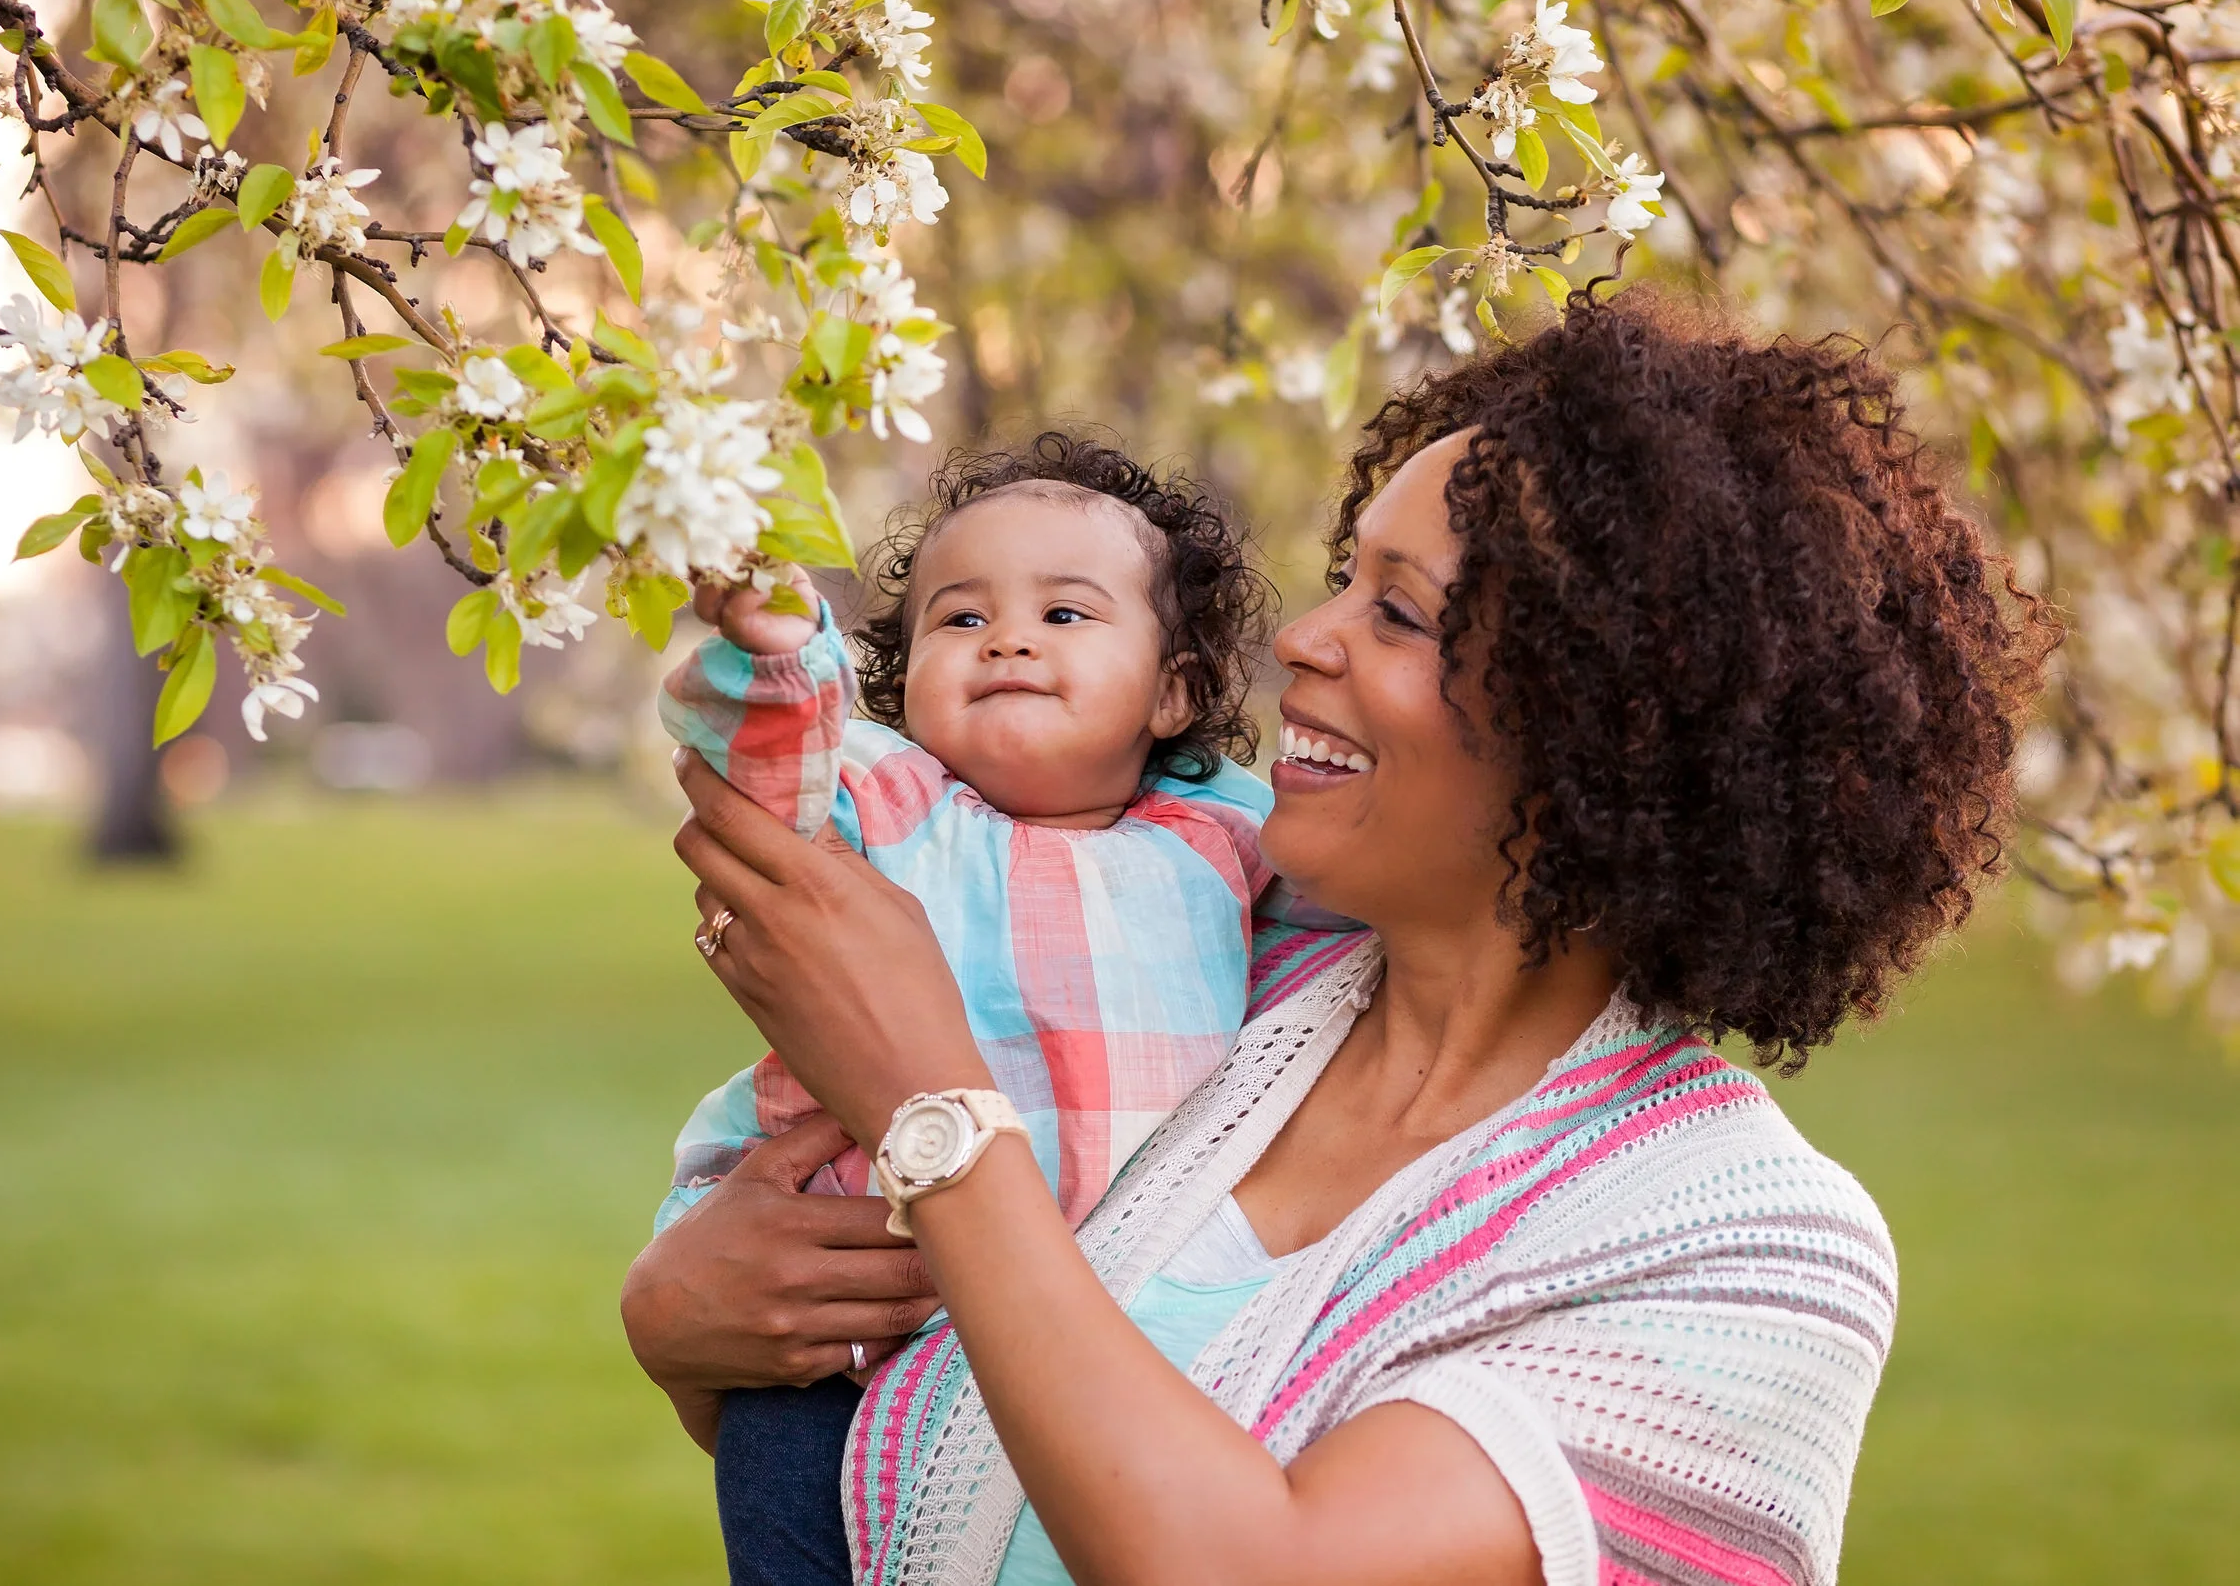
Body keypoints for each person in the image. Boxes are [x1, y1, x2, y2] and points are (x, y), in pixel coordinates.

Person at [626, 290, 2056, 1585]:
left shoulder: (1742, 1244)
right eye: (1341, 578)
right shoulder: (1213, 980)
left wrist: (935, 1105)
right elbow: (926, 1445)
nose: (1303, 639)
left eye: (1399, 611)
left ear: (1601, 727)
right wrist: (688, 1317)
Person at [654, 436, 1298, 1580]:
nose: (1006, 637)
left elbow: (1371, 905)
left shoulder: (1223, 831)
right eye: (959, 620)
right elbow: (772, 765)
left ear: (1174, 689)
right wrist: (775, 651)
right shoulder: (888, 799)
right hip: (848, 1355)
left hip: (1099, 1343)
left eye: (1065, 614)